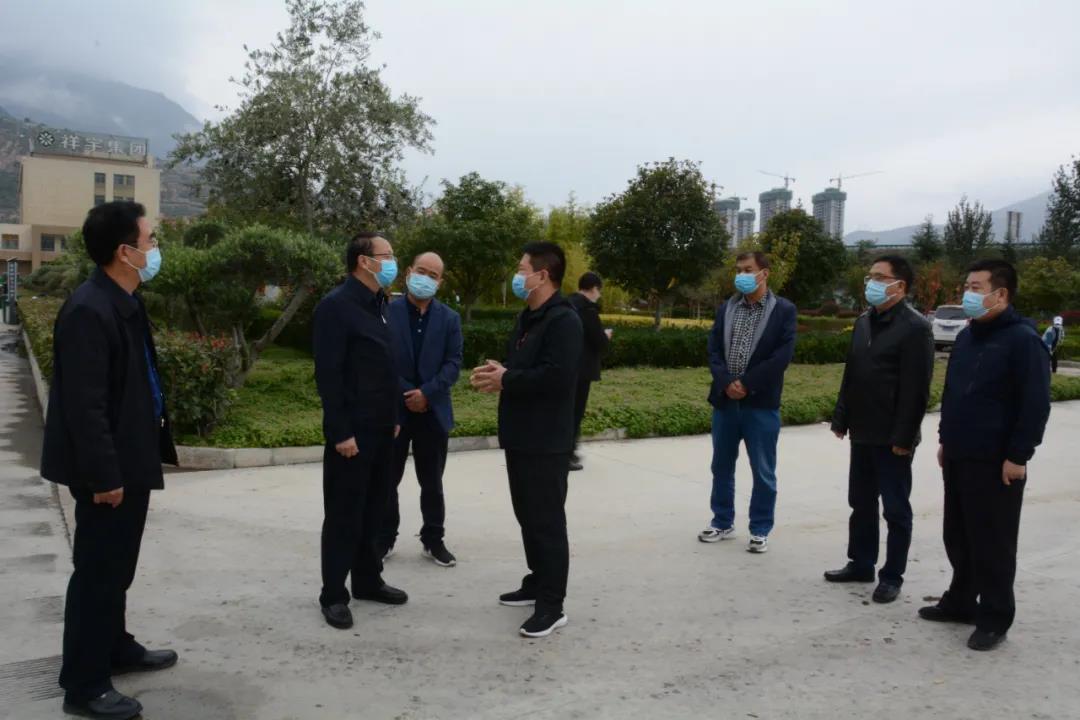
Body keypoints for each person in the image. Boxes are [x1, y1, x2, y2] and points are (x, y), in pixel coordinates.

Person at [41, 201, 179, 720]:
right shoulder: (88, 310)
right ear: (125, 252)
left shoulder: (123, 300)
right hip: (107, 470)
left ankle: (116, 646)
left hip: (130, 457)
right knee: (97, 574)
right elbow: (85, 405)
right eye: (150, 240)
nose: (155, 248)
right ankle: (84, 684)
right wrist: (104, 475)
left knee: (117, 568)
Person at [921, 259, 1051, 652]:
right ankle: (961, 601)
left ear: (1001, 294)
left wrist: (1019, 455)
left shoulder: (1023, 341)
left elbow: (1035, 404)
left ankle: (995, 616)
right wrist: (945, 439)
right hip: (960, 453)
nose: (968, 294)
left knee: (993, 542)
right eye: (967, 286)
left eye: (976, 288)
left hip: (997, 462)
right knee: (958, 534)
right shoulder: (967, 336)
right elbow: (954, 394)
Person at [470, 242, 582, 638]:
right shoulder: (528, 317)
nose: (517, 276)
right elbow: (526, 368)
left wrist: (508, 378)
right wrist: (502, 371)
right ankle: (537, 581)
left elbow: (557, 377)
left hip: (547, 440)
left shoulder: (564, 320)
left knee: (547, 521)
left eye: (522, 269)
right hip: (520, 435)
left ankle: (552, 604)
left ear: (542, 275)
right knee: (528, 517)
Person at [313, 232, 408, 631]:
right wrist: (340, 432)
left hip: (383, 428)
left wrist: (395, 413)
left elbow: (386, 365)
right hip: (352, 433)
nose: (392, 262)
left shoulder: (381, 304)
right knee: (344, 514)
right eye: (387, 255)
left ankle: (368, 580)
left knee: (374, 509)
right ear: (363, 261)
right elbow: (329, 374)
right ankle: (334, 594)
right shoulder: (335, 306)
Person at [826, 256, 934, 604]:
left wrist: (904, 438)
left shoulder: (915, 327)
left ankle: (892, 575)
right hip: (863, 430)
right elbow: (852, 373)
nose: (870, 283)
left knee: (895, 509)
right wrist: (842, 417)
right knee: (860, 502)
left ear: (899, 286)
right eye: (870, 276)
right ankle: (861, 563)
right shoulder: (863, 322)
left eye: (879, 277)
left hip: (893, 438)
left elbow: (917, 390)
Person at [700, 251, 796, 554]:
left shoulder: (783, 310)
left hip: (761, 405)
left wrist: (747, 384)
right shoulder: (727, 308)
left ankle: (760, 528)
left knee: (763, 471)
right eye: (738, 269)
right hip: (725, 403)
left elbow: (781, 357)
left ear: (764, 273)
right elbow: (714, 349)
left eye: (748, 269)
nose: (741, 275)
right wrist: (726, 382)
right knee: (721, 466)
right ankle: (722, 521)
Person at [378, 251, 463, 567]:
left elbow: (453, 363)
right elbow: (380, 358)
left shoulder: (450, 319)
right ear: (408, 272)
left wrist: (427, 393)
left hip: (433, 411)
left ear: (440, 282)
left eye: (433, 275)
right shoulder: (386, 312)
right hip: (394, 412)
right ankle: (384, 538)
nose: (425, 279)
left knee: (432, 482)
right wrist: (406, 393)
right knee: (388, 480)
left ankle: (433, 540)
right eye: (421, 271)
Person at [567, 271, 612, 471]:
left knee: (565, 410)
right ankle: (567, 454)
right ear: (593, 289)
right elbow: (598, 341)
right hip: (582, 370)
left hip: (565, 367)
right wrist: (606, 336)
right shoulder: (588, 310)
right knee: (575, 412)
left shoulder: (566, 305)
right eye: (599, 291)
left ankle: (565, 451)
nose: (599, 295)